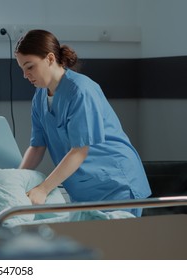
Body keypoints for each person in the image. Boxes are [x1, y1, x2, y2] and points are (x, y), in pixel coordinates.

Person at [15, 29, 151, 217]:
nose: (25, 75)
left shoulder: (81, 90)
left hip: (115, 183)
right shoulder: (40, 97)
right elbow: (37, 146)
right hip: (84, 189)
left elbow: (79, 151)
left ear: (50, 58)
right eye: (22, 69)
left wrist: (43, 189)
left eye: (30, 67)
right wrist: (16, 180)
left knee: (118, 244)